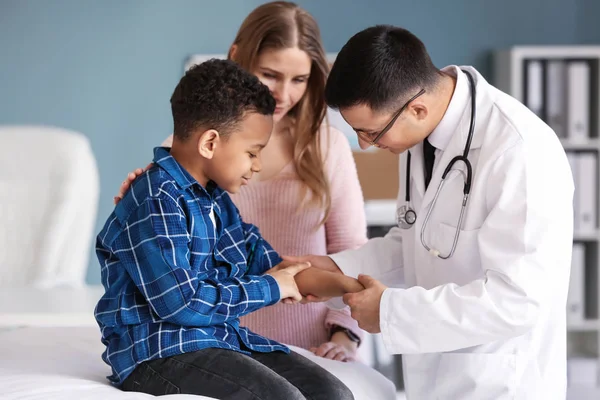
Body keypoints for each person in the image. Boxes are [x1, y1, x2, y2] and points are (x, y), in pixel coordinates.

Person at [290, 25, 574, 399]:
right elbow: (422, 242)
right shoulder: (419, 133)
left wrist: (390, 312)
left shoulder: (519, 151)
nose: (365, 144)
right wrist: (337, 268)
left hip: (499, 382)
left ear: (417, 108)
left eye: (371, 133)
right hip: (437, 376)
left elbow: (518, 301)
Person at [116, 1, 369, 364]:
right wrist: (133, 211)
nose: (284, 94)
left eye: (299, 79)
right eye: (270, 74)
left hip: (313, 348)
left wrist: (344, 338)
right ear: (237, 57)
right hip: (216, 348)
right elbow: (167, 267)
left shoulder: (327, 146)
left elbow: (351, 252)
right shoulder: (186, 152)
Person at [94, 58, 358, 400]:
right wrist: (272, 287)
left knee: (333, 393)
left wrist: (352, 289)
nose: (258, 165)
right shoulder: (155, 199)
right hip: (156, 354)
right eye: (252, 152)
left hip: (216, 340)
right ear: (209, 144)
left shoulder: (218, 202)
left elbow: (277, 267)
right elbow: (182, 305)